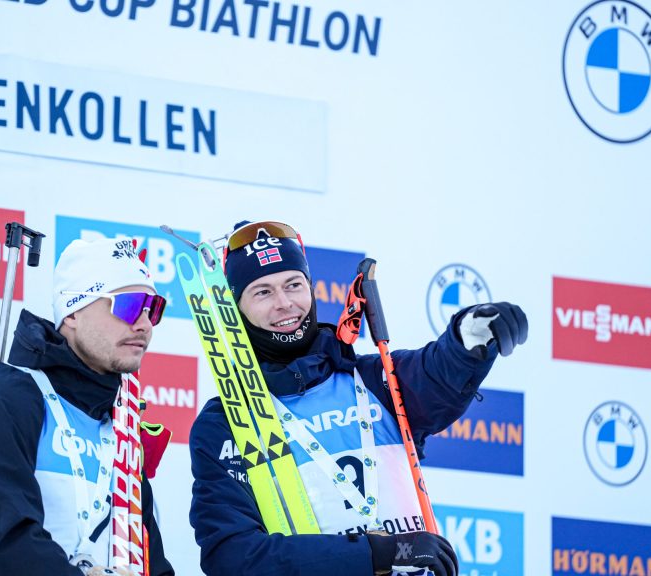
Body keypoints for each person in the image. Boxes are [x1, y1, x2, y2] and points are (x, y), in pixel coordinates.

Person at [188, 221, 528, 576]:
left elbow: (435, 374)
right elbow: (234, 557)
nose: (285, 303)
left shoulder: (373, 378)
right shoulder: (226, 422)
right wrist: (376, 553)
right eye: (262, 292)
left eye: (294, 285)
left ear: (311, 290)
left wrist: (466, 337)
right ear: (235, 309)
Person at [0, 237, 175, 576]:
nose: (145, 324)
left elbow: (154, 565)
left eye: (154, 308)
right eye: (130, 305)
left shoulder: (120, 429)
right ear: (73, 312)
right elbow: (9, 542)